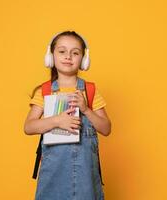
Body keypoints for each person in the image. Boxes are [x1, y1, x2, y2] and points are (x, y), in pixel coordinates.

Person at [24, 30, 111, 200]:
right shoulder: (45, 91)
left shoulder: (90, 91)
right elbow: (28, 127)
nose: (68, 57)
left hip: (86, 175)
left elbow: (106, 128)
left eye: (75, 53)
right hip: (53, 174)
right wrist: (57, 120)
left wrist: (86, 109)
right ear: (51, 56)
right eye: (62, 51)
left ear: (83, 60)